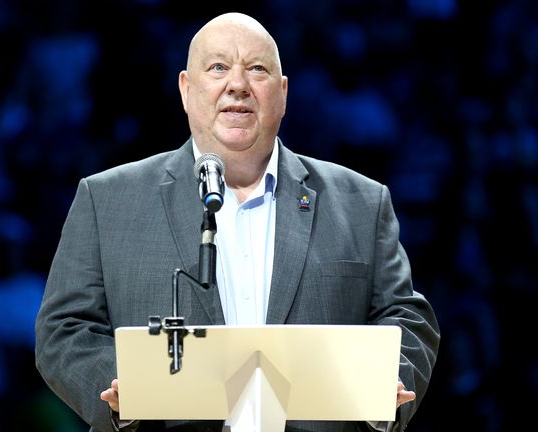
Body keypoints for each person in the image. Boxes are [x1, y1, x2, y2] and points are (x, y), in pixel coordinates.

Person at [35, 12, 440, 432]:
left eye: (257, 69)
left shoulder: (360, 202)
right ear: (186, 90)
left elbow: (406, 316)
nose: (238, 85)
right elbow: (63, 329)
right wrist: (120, 388)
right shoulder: (107, 200)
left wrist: (386, 385)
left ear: (282, 94)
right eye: (217, 67)